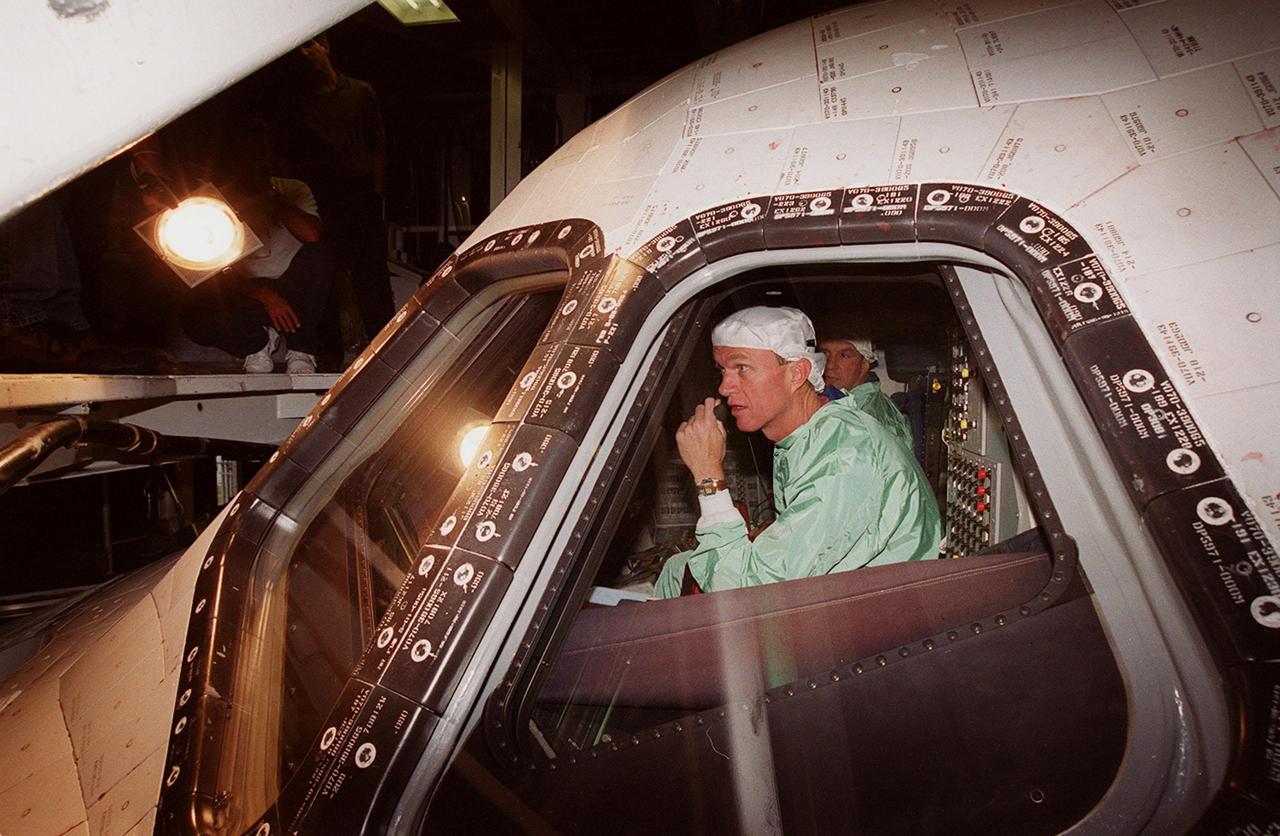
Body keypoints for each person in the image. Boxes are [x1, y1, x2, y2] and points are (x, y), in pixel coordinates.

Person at [653, 307, 941, 598]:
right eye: (722, 371)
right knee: (679, 567)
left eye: (742, 368)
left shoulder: (844, 454)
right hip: (850, 597)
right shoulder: (811, 435)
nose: (725, 387)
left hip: (877, 615)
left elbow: (742, 595)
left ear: (796, 373)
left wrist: (707, 476)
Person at [177, 122, 333, 374]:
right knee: (195, 318)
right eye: (251, 156)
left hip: (294, 289)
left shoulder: (292, 189)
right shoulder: (213, 200)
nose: (261, 162)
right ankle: (257, 342)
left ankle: (301, 348)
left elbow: (312, 235)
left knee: (320, 255)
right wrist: (264, 296)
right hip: (245, 292)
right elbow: (214, 270)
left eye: (265, 155)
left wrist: (271, 197)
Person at [280, 33, 394, 354]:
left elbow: (378, 147)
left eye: (309, 46)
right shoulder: (296, 105)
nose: (304, 54)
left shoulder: (359, 92)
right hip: (320, 197)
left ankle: (384, 349)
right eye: (297, 49)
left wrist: (376, 195)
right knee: (325, 274)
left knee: (371, 274)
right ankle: (326, 353)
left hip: (359, 194)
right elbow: (288, 157)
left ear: (325, 47)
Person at [819, 336, 913, 452]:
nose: (830, 365)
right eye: (825, 353)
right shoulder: (844, 404)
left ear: (864, 365)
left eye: (844, 355)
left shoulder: (867, 417)